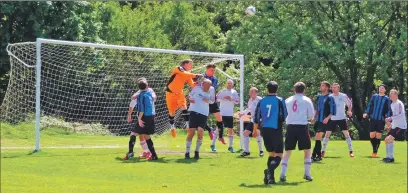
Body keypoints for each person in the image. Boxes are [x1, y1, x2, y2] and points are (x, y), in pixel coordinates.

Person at [253, 81, 287, 184]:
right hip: (275, 128)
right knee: (279, 155)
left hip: (264, 129)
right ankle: (269, 171)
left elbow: (256, 117)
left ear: (267, 89)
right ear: (277, 89)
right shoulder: (280, 100)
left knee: (271, 154)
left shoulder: (262, 101)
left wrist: (255, 130)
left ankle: (270, 178)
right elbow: (284, 115)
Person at [280, 82, 315, 182]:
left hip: (290, 126)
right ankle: (307, 174)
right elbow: (310, 115)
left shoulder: (288, 100)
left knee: (288, 150)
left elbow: (284, 113)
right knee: (307, 150)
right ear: (304, 90)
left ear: (294, 90)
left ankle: (283, 174)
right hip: (302, 127)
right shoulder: (307, 100)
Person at [165, 59, 203, 138]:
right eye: (190, 64)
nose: (191, 66)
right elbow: (184, 73)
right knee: (171, 113)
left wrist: (199, 82)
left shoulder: (188, 74)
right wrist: (196, 75)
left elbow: (192, 85)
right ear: (185, 64)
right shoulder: (178, 68)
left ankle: (188, 126)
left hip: (180, 93)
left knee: (184, 107)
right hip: (170, 93)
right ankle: (172, 127)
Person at [125, 78, 158, 160]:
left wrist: (139, 119)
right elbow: (154, 97)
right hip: (150, 116)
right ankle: (150, 153)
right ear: (147, 85)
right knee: (144, 135)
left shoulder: (141, 94)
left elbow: (139, 107)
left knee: (135, 134)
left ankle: (131, 152)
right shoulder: (148, 91)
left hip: (143, 117)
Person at [321, 83, 354, 158]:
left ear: (338, 88)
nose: (334, 89)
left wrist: (349, 110)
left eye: (335, 88)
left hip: (342, 118)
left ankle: (351, 151)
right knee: (327, 134)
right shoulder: (329, 97)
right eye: (332, 88)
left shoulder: (343, 96)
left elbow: (349, 103)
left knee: (346, 133)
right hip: (332, 118)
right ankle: (322, 151)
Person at [185, 79, 215, 159]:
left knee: (200, 131)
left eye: (209, 87)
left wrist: (208, 100)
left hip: (204, 113)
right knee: (191, 132)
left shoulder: (212, 89)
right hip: (194, 111)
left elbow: (213, 100)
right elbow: (190, 95)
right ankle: (187, 152)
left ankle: (197, 151)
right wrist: (190, 99)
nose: (208, 89)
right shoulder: (196, 88)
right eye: (206, 87)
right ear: (203, 84)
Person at [211, 79, 239, 152]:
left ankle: (230, 147)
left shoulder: (234, 92)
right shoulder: (222, 91)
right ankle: (213, 144)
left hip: (230, 113)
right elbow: (216, 99)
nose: (229, 84)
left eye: (230, 83)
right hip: (222, 113)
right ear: (226, 84)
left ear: (232, 84)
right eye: (228, 83)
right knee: (218, 129)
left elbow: (237, 101)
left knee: (230, 129)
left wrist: (231, 99)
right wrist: (223, 98)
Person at [363, 84, 392, 157]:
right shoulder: (374, 96)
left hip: (381, 120)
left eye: (382, 88)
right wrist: (366, 113)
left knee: (378, 135)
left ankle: (375, 152)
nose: (381, 89)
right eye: (380, 88)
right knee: (372, 135)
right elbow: (370, 105)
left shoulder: (387, 99)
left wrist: (388, 119)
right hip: (373, 118)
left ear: (385, 90)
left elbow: (388, 109)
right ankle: (374, 149)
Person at [312, 81, 336, 162]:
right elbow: (316, 109)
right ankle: (316, 156)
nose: (321, 87)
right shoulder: (318, 97)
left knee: (318, 136)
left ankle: (316, 156)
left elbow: (332, 111)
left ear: (327, 88)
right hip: (318, 120)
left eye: (322, 86)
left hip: (325, 121)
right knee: (317, 138)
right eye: (321, 85)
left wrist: (327, 118)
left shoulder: (330, 98)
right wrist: (313, 117)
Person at [383, 89, 406, 163]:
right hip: (395, 125)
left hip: (401, 126)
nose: (390, 95)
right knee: (386, 139)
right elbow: (395, 116)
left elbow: (400, 114)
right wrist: (391, 125)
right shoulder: (392, 104)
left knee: (389, 139)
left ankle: (391, 158)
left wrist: (390, 118)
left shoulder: (399, 103)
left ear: (396, 95)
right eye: (390, 93)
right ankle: (388, 157)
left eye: (392, 94)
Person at [240, 87, 264, 157]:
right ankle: (246, 151)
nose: (250, 93)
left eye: (252, 92)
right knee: (245, 133)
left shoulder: (260, 100)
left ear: (256, 93)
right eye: (250, 92)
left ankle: (261, 151)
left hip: (260, 119)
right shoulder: (250, 100)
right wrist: (243, 113)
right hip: (253, 120)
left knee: (257, 134)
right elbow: (249, 109)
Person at [202, 64, 223, 143]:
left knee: (219, 118)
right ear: (206, 69)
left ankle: (220, 136)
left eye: (214, 70)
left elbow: (211, 88)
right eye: (211, 70)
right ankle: (209, 129)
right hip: (203, 101)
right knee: (202, 119)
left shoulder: (214, 79)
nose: (213, 72)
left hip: (212, 100)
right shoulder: (201, 77)